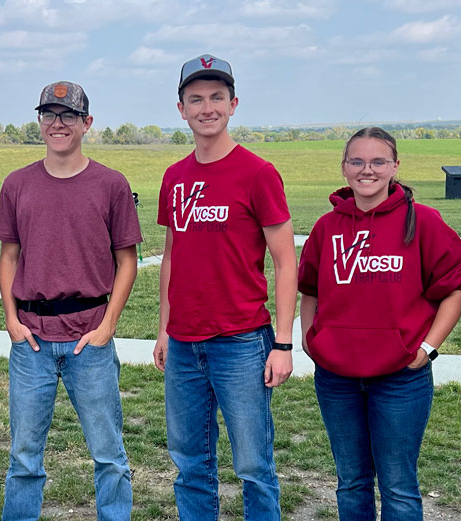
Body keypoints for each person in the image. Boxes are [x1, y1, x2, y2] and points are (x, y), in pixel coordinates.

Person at [297, 127, 461, 520]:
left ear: (395, 166)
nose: (367, 170)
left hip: (400, 377)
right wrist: (311, 339)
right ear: (344, 167)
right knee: (352, 481)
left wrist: (427, 348)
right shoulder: (327, 227)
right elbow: (310, 289)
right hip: (337, 377)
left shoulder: (423, 222)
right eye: (356, 161)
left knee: (398, 485)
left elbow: (455, 289)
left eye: (377, 161)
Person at [152, 54, 296, 521]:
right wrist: (163, 330)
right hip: (185, 342)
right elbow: (173, 255)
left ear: (233, 104)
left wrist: (283, 343)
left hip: (241, 341)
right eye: (196, 99)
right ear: (181, 109)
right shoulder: (175, 177)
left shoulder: (257, 173)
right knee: (190, 462)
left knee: (253, 464)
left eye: (216, 97)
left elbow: (284, 259)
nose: (206, 107)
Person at [0, 80, 141, 521]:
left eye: (69, 116)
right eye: (49, 115)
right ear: (39, 122)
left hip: (89, 338)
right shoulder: (17, 184)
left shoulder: (111, 184)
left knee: (109, 454)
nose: (58, 124)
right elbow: (8, 256)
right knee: (23, 458)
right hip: (32, 340)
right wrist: (11, 320)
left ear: (87, 123)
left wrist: (108, 326)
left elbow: (127, 261)